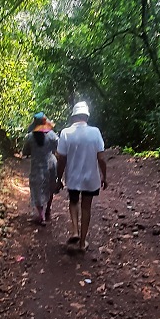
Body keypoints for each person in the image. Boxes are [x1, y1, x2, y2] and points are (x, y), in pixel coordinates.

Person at [56, 101, 107, 252]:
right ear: (86, 116)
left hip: (73, 177)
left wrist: (58, 179)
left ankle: (74, 231)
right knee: (86, 207)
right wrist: (104, 176)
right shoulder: (95, 132)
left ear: (73, 117)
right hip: (91, 179)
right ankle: (82, 243)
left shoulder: (65, 133)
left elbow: (61, 159)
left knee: (73, 202)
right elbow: (102, 158)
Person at [22, 112, 59, 225]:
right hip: (51, 164)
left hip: (37, 166)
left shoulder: (29, 137)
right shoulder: (52, 135)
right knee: (50, 186)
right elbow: (58, 147)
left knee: (37, 189)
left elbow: (25, 152)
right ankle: (48, 209)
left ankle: (41, 215)